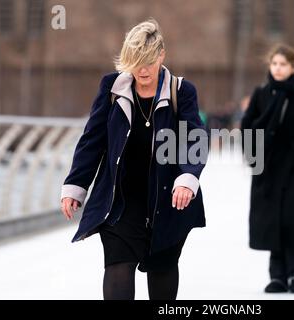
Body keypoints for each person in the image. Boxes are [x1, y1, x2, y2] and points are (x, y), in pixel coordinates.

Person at [60, 19, 207, 300]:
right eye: (135, 61)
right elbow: (93, 140)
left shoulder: (181, 92)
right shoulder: (112, 88)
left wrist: (187, 178)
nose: (142, 69)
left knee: (162, 272)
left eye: (148, 62)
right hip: (120, 201)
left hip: (169, 199)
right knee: (117, 267)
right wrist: (75, 186)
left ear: (161, 55)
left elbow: (194, 138)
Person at [241, 44, 294, 294]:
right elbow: (246, 126)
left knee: (290, 219)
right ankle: (277, 275)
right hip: (266, 169)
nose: (278, 69)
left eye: (283, 64)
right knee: (271, 221)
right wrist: (252, 157)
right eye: (274, 64)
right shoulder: (261, 94)